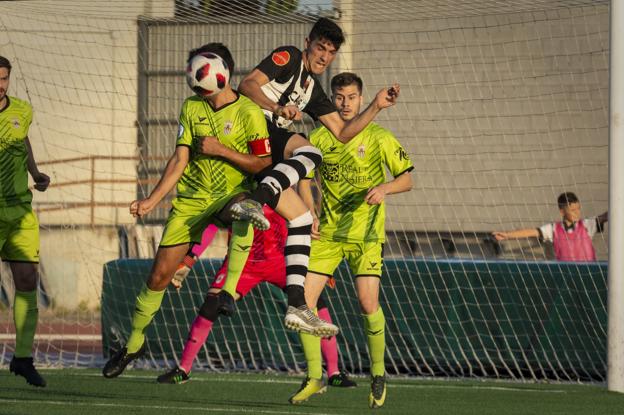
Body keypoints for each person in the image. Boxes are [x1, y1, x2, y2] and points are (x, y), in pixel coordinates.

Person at [200, 17, 400, 337]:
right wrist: (277, 108)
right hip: (249, 128)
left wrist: (375, 106)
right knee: (311, 153)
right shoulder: (290, 57)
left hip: (266, 144)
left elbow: (343, 132)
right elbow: (248, 85)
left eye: (330, 52)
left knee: (303, 219)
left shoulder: (313, 90)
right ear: (308, 43)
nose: (324, 56)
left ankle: (297, 305)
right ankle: (255, 200)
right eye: (320, 48)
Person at [102, 43, 271, 378]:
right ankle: (134, 343)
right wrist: (151, 200)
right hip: (191, 201)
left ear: (222, 73)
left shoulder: (249, 113)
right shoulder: (191, 107)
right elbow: (180, 158)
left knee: (246, 210)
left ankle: (227, 292)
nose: (197, 84)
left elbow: (263, 162)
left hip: (230, 195)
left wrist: (221, 150)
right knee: (158, 277)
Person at [293, 72, 413, 408]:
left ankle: (377, 373)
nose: (346, 104)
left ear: (361, 99)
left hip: (366, 235)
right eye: (339, 97)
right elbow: (302, 175)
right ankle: (315, 376)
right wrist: (309, 210)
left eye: (352, 97)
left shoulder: (379, 137)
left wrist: (384, 188)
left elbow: (407, 179)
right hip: (329, 235)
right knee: (302, 303)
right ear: (332, 100)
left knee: (367, 303)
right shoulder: (319, 138)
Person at [157, 206, 356, 389]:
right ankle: (183, 369)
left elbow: (302, 222)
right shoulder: (236, 193)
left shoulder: (280, 186)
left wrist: (318, 268)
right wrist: (188, 260)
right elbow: (210, 226)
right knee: (211, 306)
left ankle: (333, 372)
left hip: (280, 259)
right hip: (243, 263)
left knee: (312, 301)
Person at [0, 56, 51, 387]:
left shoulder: (22, 110)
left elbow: (24, 143)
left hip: (19, 209)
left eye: (4, 78)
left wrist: (35, 173)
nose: (0, 84)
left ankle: (22, 358)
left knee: (27, 281)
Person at [492, 192, 608, 261]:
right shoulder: (553, 229)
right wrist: (507, 235)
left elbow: (604, 217)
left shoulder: (587, 225)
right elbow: (531, 232)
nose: (577, 212)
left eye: (578, 208)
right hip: (565, 276)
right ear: (562, 212)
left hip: (589, 275)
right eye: (573, 210)